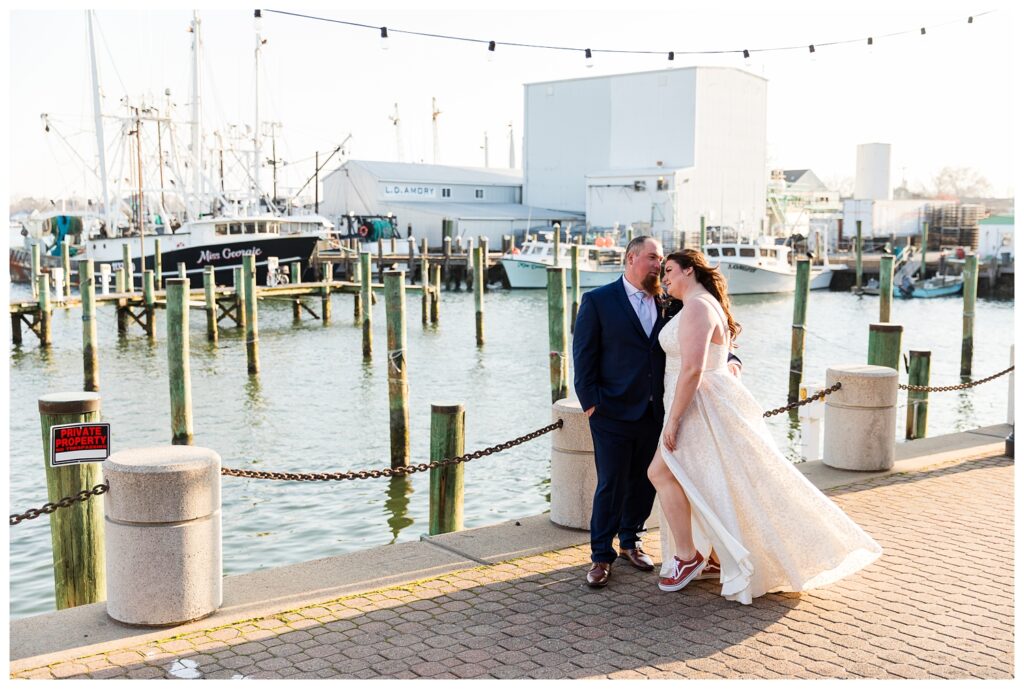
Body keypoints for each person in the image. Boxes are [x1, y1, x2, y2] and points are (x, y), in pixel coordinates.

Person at [647, 249, 882, 603]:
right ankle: (709, 555)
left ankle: (688, 556)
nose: (665, 278)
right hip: (702, 400)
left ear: (690, 271)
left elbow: (693, 369)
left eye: (669, 271)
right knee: (704, 479)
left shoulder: (697, 306)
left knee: (661, 473)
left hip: (698, 405)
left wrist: (675, 419)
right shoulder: (703, 303)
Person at [572, 237, 739, 588]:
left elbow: (706, 338)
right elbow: (583, 357)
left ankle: (631, 541)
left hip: (658, 409)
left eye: (663, 260)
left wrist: (731, 360)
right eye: (652, 258)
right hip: (612, 411)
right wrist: (591, 404)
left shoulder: (672, 302)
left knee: (647, 481)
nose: (658, 266)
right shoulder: (598, 301)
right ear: (631, 258)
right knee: (610, 482)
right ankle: (601, 556)